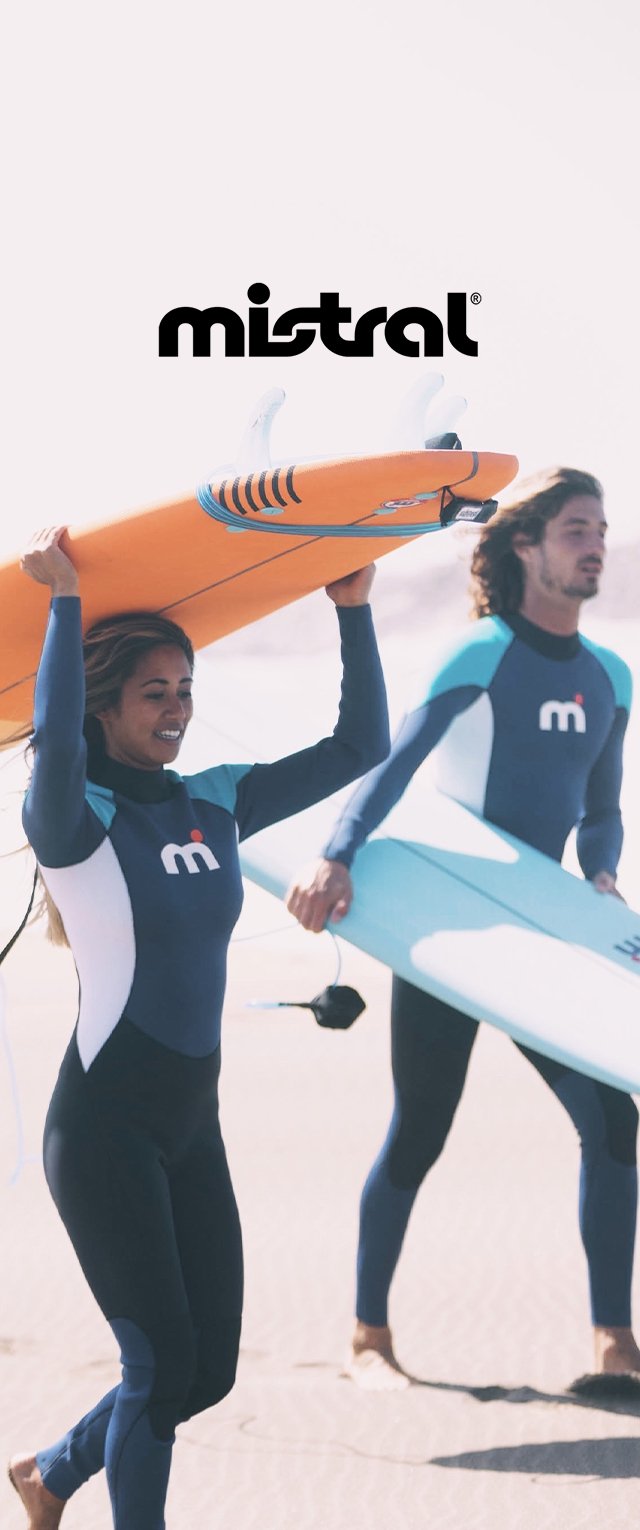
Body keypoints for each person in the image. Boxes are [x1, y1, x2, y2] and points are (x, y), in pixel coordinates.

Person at [8, 526, 389, 1528]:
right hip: (102, 1129)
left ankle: (50, 1473)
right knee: (157, 1363)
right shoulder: (72, 819)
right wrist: (61, 606)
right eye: (154, 694)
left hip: (189, 1126)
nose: (177, 710)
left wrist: (350, 610)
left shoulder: (214, 802)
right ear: (105, 705)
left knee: (203, 1370)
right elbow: (51, 739)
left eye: (185, 689)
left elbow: (360, 748)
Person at [286, 466, 639, 1392]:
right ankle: (368, 1336)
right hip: (453, 932)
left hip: (540, 931)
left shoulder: (611, 674)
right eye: (574, 528)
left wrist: (601, 871)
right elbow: (392, 766)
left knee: (611, 1118)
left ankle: (613, 1340)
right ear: (525, 546)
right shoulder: (476, 655)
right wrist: (338, 852)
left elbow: (601, 805)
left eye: (600, 528)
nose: (594, 542)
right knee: (421, 1131)